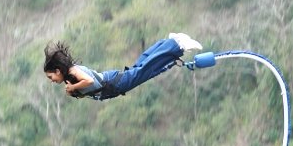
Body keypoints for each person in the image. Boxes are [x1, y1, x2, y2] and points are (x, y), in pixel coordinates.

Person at [43, 32, 203, 101]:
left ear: (58, 70)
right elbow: (91, 89)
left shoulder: (73, 71)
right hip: (112, 83)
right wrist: (76, 91)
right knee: (142, 65)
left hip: (115, 84)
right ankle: (169, 42)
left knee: (145, 69)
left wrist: (74, 88)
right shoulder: (70, 75)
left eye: (51, 77)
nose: (52, 80)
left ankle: (177, 45)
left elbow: (89, 82)